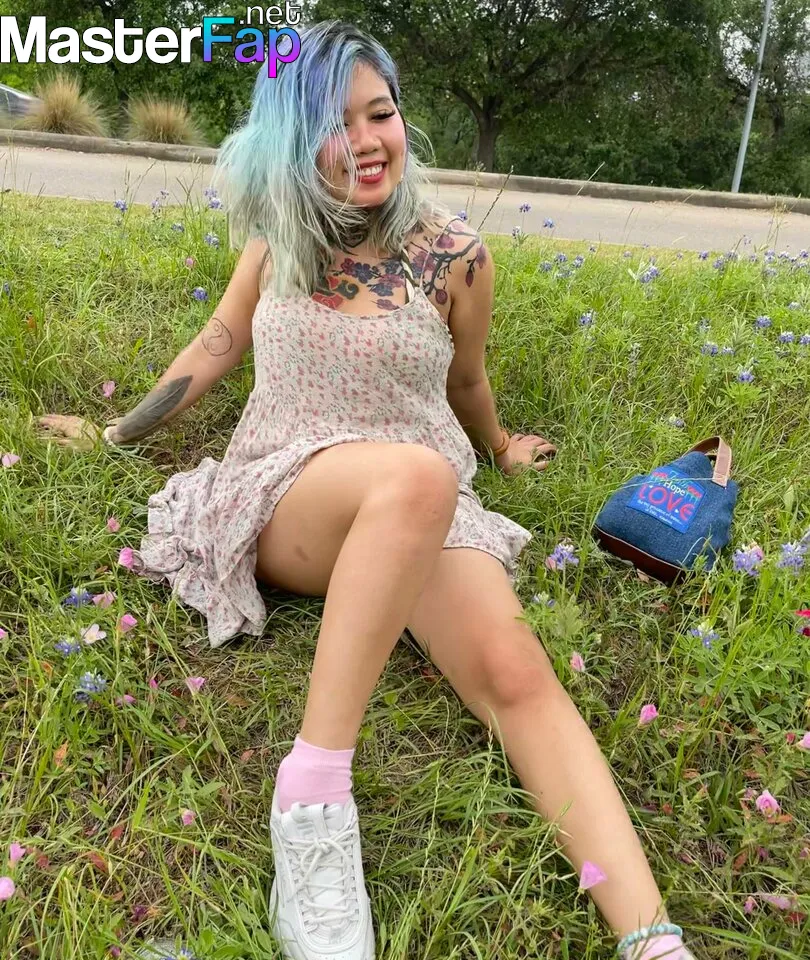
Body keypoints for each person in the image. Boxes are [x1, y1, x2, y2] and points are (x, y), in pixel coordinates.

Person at [37, 20, 697, 960]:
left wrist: (500, 446)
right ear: (287, 142)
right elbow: (216, 347)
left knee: (515, 668)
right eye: (331, 126)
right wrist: (114, 433)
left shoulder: (457, 255)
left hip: (419, 506)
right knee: (417, 474)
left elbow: (466, 380)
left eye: (378, 113)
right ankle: (312, 795)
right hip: (291, 493)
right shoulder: (278, 239)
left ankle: (653, 941)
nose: (364, 142)